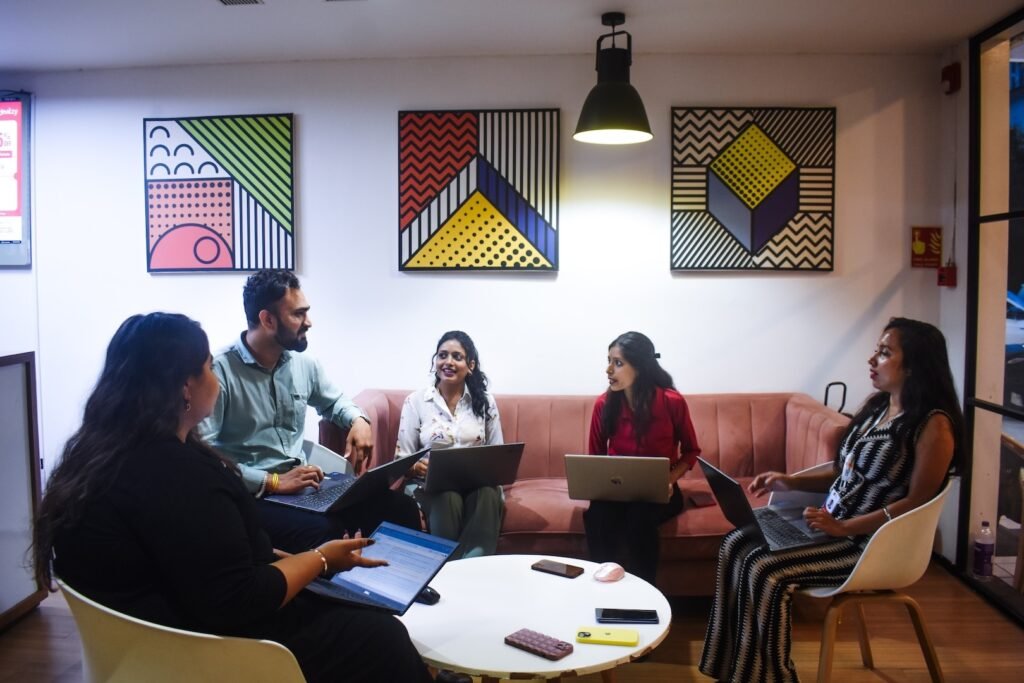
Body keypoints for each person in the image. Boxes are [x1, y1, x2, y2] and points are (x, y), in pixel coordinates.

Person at [31, 313, 433, 683]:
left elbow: (199, 556)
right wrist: (321, 559)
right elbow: (241, 598)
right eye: (208, 368)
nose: (217, 380)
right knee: (381, 636)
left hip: (143, 638)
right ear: (185, 387)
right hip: (205, 648)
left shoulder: (96, 457)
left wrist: (293, 561)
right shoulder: (180, 476)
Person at [699, 317, 964, 683]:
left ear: (914, 365)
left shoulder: (933, 425)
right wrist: (789, 480)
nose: (872, 359)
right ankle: (735, 669)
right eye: (876, 350)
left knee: (765, 569)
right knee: (735, 542)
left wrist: (845, 527)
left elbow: (918, 501)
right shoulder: (878, 408)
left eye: (885, 353)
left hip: (866, 544)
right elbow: (844, 471)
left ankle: (771, 677)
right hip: (828, 526)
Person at [199, 269, 419, 554]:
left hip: (303, 488)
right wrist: (272, 481)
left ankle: (404, 580)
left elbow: (335, 402)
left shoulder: (303, 364)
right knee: (325, 531)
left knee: (400, 507)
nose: (309, 322)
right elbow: (203, 457)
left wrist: (359, 420)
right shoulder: (219, 371)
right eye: (298, 314)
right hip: (254, 495)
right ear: (267, 320)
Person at [583, 331, 701, 585]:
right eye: (608, 361)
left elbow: (691, 450)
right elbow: (595, 458)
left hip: (659, 491)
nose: (608, 370)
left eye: (617, 363)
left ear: (639, 367)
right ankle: (598, 587)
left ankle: (644, 591)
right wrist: (599, 487)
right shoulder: (603, 404)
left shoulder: (671, 401)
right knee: (597, 515)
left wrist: (669, 480)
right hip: (616, 491)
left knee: (639, 518)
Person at [396, 330, 505, 560]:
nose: (448, 362)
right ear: (435, 361)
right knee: (447, 496)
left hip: (476, 486)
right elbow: (402, 459)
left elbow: (499, 454)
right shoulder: (416, 402)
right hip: (429, 487)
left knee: (488, 492)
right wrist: (415, 467)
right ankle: (449, 566)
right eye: (442, 355)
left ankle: (470, 566)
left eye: (457, 357)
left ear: (470, 365)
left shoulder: (485, 402)